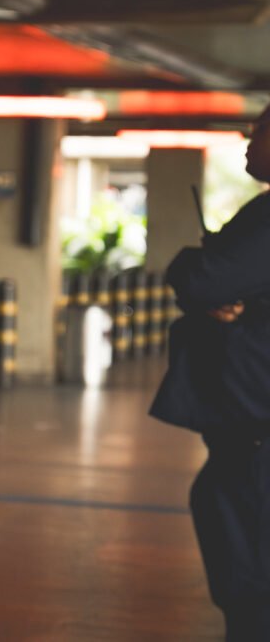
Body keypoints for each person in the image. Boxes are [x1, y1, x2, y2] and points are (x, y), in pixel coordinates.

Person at [161, 106, 270, 641]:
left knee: (252, 593)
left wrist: (199, 279)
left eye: (260, 132)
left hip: (257, 449)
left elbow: (203, 278)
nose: (249, 143)